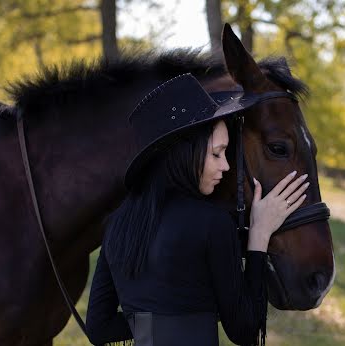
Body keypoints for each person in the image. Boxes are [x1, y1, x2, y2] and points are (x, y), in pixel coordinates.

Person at [85, 73, 309, 346]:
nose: (225, 166)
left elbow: (99, 328)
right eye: (216, 153)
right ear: (184, 152)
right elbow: (245, 331)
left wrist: (153, 324)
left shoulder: (117, 224)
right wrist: (259, 235)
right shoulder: (212, 224)